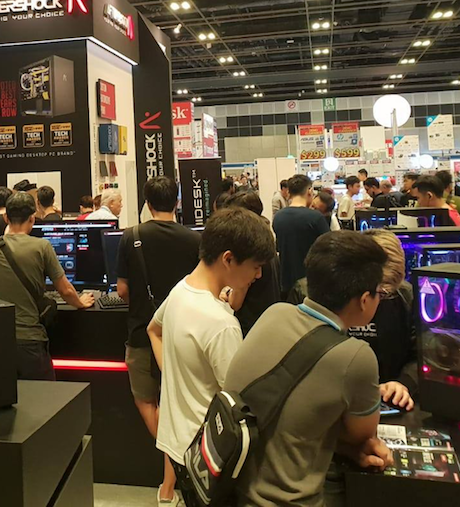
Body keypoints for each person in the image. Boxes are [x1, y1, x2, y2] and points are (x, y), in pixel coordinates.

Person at [225, 232, 391, 507]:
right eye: (380, 293)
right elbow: (363, 436)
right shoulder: (357, 357)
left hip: (233, 488)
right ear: (364, 299)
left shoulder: (275, 312)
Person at [148, 208, 273, 504]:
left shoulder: (181, 290)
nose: (258, 275)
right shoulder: (221, 324)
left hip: (179, 446)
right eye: (255, 266)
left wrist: (175, 374)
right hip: (211, 457)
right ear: (228, 259)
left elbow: (153, 330)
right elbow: (242, 401)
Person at [116, 176, 201, 505]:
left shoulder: (131, 237)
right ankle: (173, 474)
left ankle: (172, 468)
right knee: (177, 404)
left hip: (141, 332)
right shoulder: (194, 239)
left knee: (145, 400)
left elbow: (122, 290)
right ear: (177, 202)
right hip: (182, 334)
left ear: (147, 204)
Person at [287, 229, 416, 411]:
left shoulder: (405, 296)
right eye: (377, 292)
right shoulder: (309, 293)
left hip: (387, 402)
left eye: (386, 294)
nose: (376, 301)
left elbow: (420, 354)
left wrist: (403, 383)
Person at [0, 192, 95, 380]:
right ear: (32, 218)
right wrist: (80, 302)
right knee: (44, 394)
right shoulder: (42, 247)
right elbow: (65, 290)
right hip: (30, 341)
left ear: (6, 218)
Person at [224, 191, 282, 335]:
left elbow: (235, 303)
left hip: (251, 326)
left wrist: (227, 293)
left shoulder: (250, 251)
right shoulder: (266, 239)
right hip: (270, 321)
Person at [275, 175, 331, 295]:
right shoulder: (316, 218)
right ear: (309, 191)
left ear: (288, 192)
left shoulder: (278, 217)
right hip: (312, 283)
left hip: (286, 282)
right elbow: (329, 249)